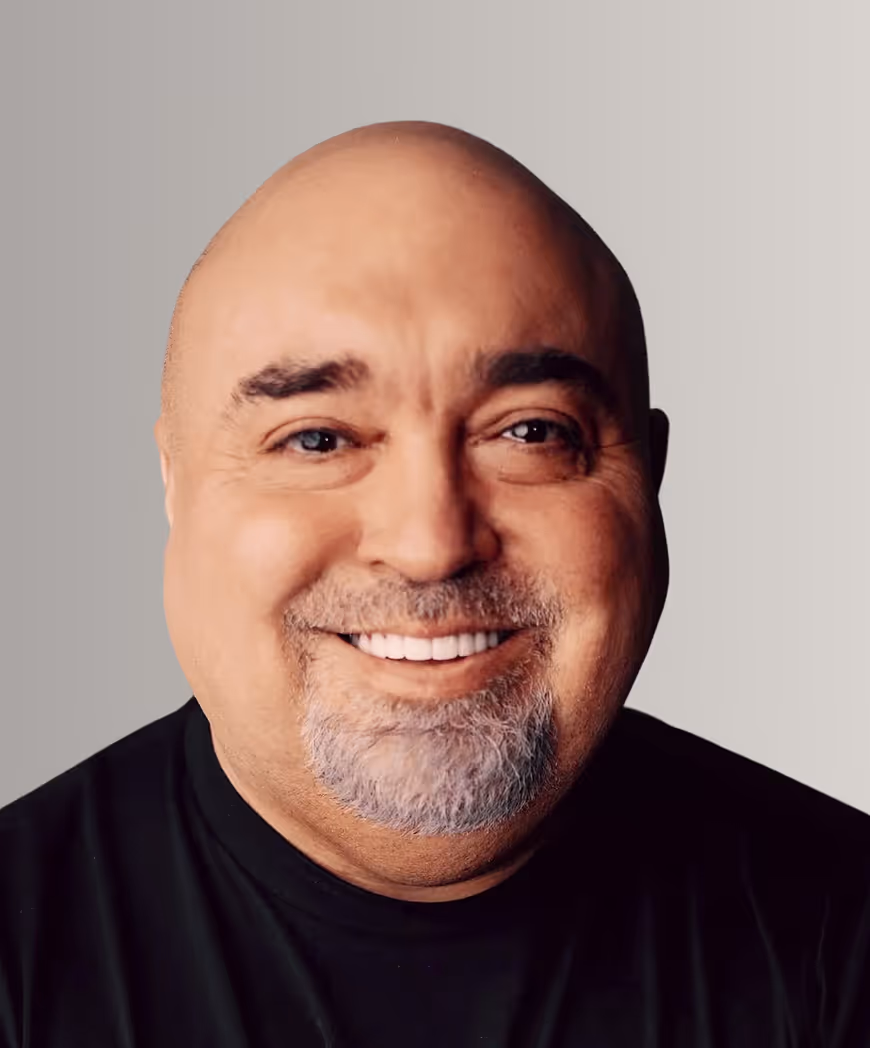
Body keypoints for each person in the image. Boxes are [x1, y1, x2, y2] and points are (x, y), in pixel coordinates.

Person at [1, 121, 868, 1048]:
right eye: (317, 439)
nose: (429, 545)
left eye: (531, 433)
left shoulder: (842, 936)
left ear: (649, 477)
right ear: (174, 481)